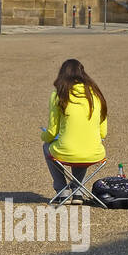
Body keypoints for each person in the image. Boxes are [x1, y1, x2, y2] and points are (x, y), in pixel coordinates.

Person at [41, 59, 108, 198]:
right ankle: (78, 192)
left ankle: (62, 190)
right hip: (94, 152)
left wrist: (44, 136)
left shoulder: (58, 95)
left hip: (67, 151)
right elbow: (103, 133)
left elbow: (52, 132)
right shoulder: (96, 95)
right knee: (81, 146)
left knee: (47, 146)